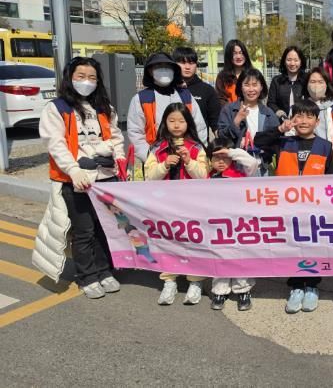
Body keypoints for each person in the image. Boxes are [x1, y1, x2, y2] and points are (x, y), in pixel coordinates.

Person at [37, 57, 125, 299]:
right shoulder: (57, 108)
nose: (87, 81)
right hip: (76, 180)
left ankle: (105, 270)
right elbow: (55, 143)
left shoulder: (104, 108)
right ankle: (87, 277)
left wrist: (119, 162)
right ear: (70, 78)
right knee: (84, 231)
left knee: (106, 228)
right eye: (81, 76)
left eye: (92, 77)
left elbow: (116, 137)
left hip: (106, 179)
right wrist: (72, 169)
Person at [254, 99, 333, 314]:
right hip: (286, 208)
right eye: (299, 115)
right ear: (292, 119)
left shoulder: (326, 146)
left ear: (317, 122)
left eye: (309, 116)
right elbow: (258, 141)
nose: (304, 121)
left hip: (314, 209)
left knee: (313, 246)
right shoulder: (283, 142)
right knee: (292, 246)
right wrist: (280, 129)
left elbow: (332, 179)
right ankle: (296, 286)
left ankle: (312, 286)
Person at [144, 103, 208, 306]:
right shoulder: (157, 148)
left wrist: (189, 161)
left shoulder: (196, 147)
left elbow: (204, 176)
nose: (176, 125)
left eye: (181, 121)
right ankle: (169, 280)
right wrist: (164, 165)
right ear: (165, 123)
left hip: (191, 205)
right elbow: (149, 177)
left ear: (188, 123)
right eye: (171, 120)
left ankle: (195, 281)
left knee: (193, 240)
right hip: (164, 205)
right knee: (167, 241)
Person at [206, 137, 259, 311]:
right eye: (216, 158)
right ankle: (220, 290)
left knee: (240, 258)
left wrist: (231, 152)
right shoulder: (207, 178)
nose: (221, 162)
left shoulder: (241, 174)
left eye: (225, 158)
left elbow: (252, 162)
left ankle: (243, 290)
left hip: (238, 226)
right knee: (219, 257)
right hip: (217, 226)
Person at [127, 52, 207, 165]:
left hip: (187, 159)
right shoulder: (141, 99)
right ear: (150, 71)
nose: (164, 70)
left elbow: (199, 127)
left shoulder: (186, 96)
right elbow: (135, 133)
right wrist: (152, 158)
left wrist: (194, 154)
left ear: (174, 70)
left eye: (167, 67)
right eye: (159, 66)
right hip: (155, 162)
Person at [218, 68, 279, 176]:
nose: (251, 89)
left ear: (261, 87)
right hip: (236, 169)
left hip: (262, 169)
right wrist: (236, 121)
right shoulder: (229, 110)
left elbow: (275, 140)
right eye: (246, 85)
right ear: (240, 87)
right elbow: (222, 137)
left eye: (255, 85)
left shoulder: (268, 113)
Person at [173, 46, 221, 137]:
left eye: (191, 63)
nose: (187, 67)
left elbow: (216, 124)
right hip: (170, 143)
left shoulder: (207, 90)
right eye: (183, 63)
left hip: (198, 143)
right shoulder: (168, 89)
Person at [304, 66, 333, 164]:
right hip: (306, 159)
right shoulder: (299, 107)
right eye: (312, 82)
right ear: (306, 84)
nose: (316, 85)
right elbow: (292, 134)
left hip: (331, 159)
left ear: (327, 85)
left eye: (320, 82)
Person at [267, 46, 307, 121]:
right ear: (284, 62)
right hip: (281, 122)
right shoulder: (276, 80)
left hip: (303, 122)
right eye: (289, 60)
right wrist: (279, 113)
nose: (292, 63)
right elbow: (271, 103)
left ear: (301, 62)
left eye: (296, 60)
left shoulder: (307, 80)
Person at [215, 39, 253, 108]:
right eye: (234, 53)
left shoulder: (252, 74)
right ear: (229, 56)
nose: (238, 57)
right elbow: (220, 99)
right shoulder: (222, 76)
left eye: (241, 53)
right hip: (230, 113)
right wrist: (232, 111)